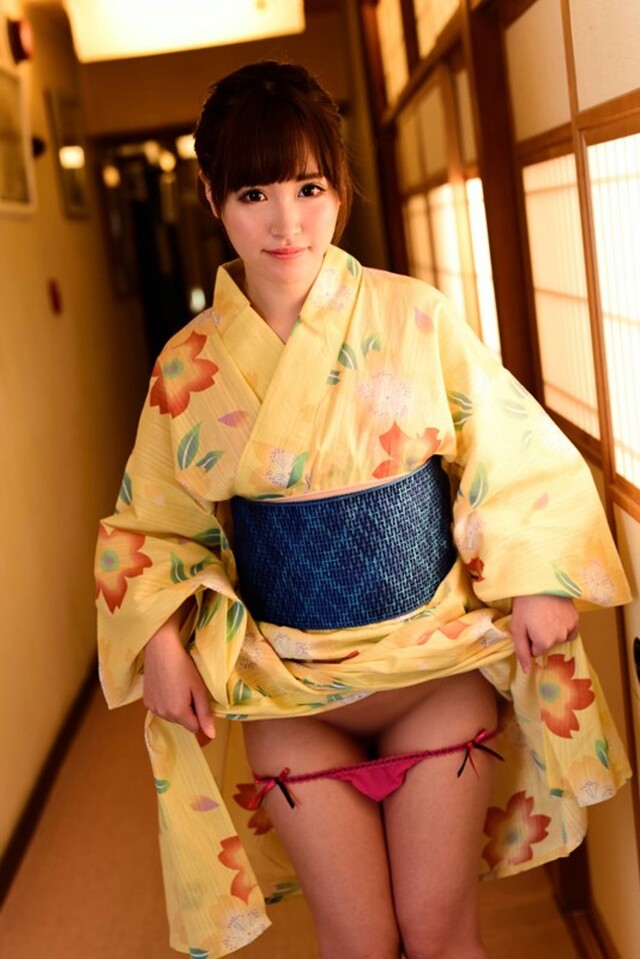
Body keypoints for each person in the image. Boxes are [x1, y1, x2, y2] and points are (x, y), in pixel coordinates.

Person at [95, 61, 631, 959]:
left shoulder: (414, 315)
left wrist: (541, 576)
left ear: (340, 188)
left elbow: (510, 445)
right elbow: (149, 523)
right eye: (255, 193)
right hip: (290, 689)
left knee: (438, 930)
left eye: (309, 187)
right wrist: (158, 641)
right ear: (211, 197)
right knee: (358, 940)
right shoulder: (188, 366)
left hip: (433, 669)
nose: (287, 222)